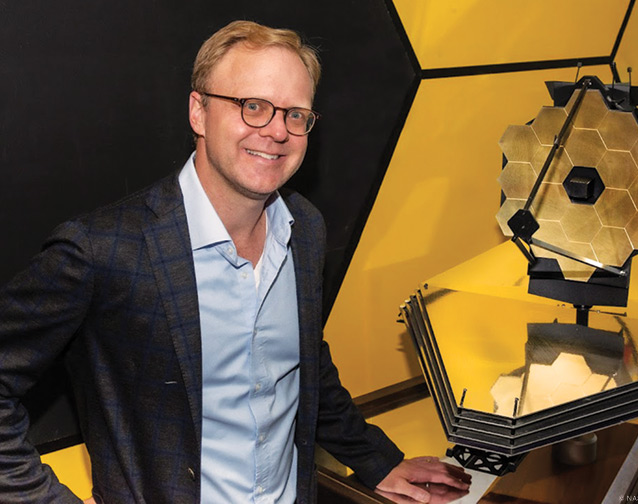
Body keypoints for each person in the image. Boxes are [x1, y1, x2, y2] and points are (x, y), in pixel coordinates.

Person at [0, 20, 471, 504]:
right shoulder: (104, 250)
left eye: (295, 115)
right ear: (198, 112)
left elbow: (303, 367)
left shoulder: (304, 228)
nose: (276, 131)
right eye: (253, 107)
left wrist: (377, 460)